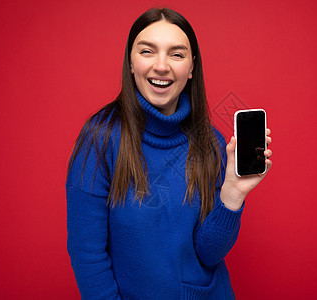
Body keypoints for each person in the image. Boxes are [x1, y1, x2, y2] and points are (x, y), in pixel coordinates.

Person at [66, 7, 272, 300]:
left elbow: (208, 254)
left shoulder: (211, 143)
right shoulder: (100, 138)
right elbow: (86, 253)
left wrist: (232, 195)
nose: (161, 66)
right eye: (148, 51)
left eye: (176, 54)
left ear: (190, 69)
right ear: (131, 62)